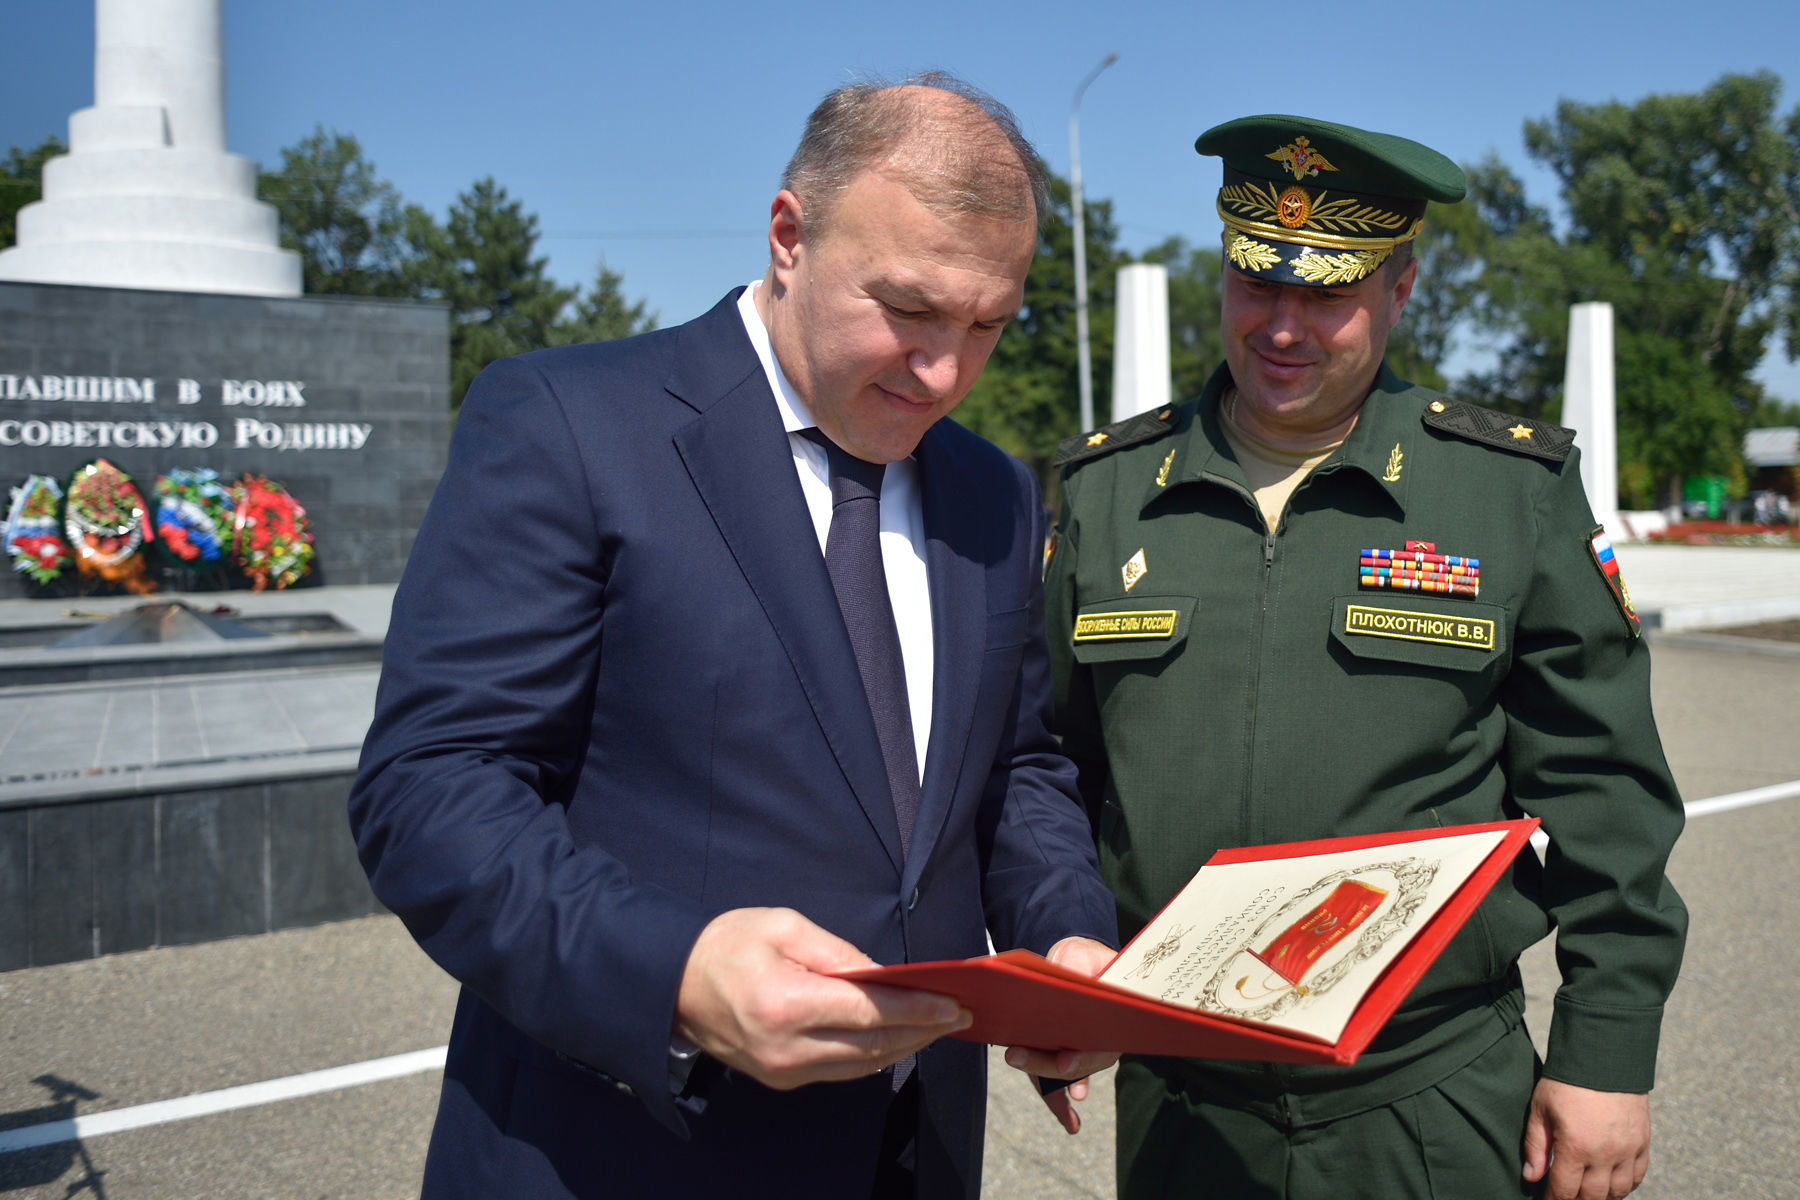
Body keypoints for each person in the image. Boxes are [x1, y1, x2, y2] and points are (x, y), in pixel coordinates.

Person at [349, 74, 1119, 1200]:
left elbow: (1015, 770)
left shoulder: (994, 491)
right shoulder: (568, 425)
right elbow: (430, 790)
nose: (947, 372)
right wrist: (676, 972)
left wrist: (1066, 941)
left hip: (916, 1156)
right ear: (789, 237)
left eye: (988, 326)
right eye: (909, 310)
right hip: (630, 1154)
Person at [1046, 114, 1688, 1200]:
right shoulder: (1106, 494)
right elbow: (1054, 771)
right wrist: (1063, 951)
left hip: (1426, 1094)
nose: (1283, 325)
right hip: (1182, 1101)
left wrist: (1606, 1055)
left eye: (1328, 293)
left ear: (1401, 286)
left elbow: (1605, 792)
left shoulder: (1504, 492)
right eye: (1257, 281)